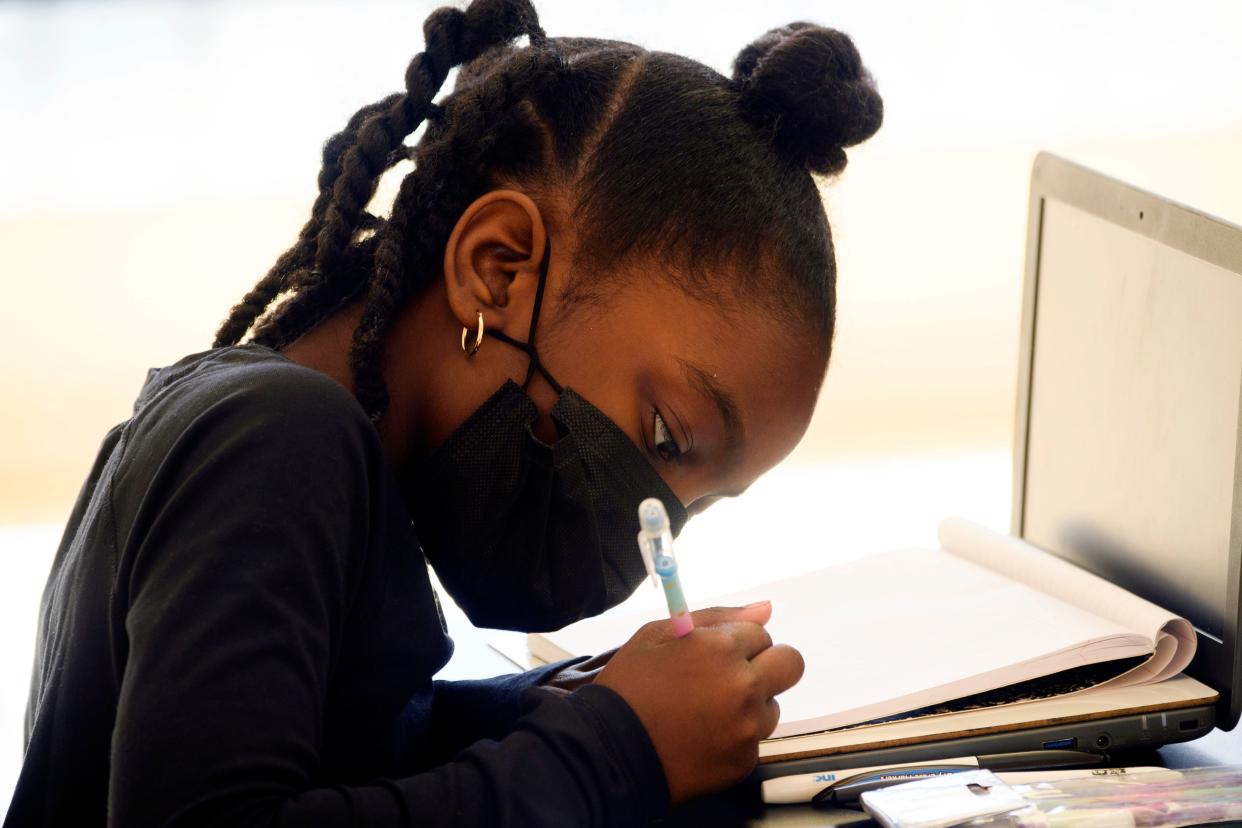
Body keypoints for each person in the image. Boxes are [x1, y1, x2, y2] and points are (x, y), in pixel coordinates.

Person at [6, 0, 882, 824]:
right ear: (498, 269)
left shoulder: (314, 447)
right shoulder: (276, 438)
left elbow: (356, 747)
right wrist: (612, 750)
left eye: (698, 506)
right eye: (667, 438)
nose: (653, 527)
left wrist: (557, 705)